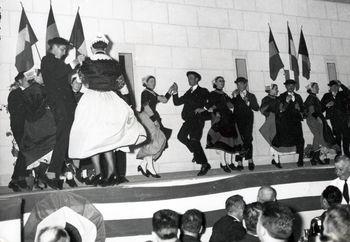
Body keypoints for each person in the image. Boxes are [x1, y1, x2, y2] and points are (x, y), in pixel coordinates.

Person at [69, 34, 146, 186]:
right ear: (105, 47)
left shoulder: (87, 63)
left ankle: (99, 174)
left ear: (92, 48)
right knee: (107, 139)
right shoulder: (115, 64)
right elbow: (123, 87)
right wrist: (129, 105)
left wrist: (77, 73)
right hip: (111, 101)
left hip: (91, 101)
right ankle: (112, 174)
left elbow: (77, 84)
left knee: (93, 138)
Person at [41, 37, 85, 189]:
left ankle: (53, 173)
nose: (64, 52)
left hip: (66, 105)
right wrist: (75, 61)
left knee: (64, 139)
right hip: (60, 106)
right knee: (63, 138)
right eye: (62, 49)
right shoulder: (47, 60)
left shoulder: (57, 62)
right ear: (53, 47)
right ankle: (51, 174)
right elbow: (61, 72)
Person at [20, 70, 59, 188]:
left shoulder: (32, 90)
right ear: (36, 76)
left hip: (33, 126)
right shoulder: (38, 90)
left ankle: (40, 176)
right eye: (43, 75)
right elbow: (37, 109)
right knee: (53, 145)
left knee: (38, 152)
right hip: (41, 126)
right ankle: (41, 176)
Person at [172, 71, 211, 176]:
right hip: (188, 120)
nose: (189, 80)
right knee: (181, 136)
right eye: (188, 78)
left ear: (197, 79)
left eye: (191, 78)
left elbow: (211, 101)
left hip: (197, 120)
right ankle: (196, 152)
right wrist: (175, 92)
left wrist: (203, 108)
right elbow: (177, 102)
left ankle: (204, 164)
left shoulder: (203, 91)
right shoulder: (188, 92)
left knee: (194, 140)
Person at [137, 75, 173, 178]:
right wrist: (154, 120)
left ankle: (144, 164)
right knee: (154, 140)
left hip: (151, 117)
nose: (153, 83)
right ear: (146, 83)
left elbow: (164, 99)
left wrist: (170, 90)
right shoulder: (145, 92)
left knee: (159, 139)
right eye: (151, 81)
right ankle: (150, 167)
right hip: (146, 117)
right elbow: (146, 107)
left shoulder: (152, 93)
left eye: (154, 81)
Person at [206, 76, 243, 172]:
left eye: (223, 81)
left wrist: (234, 97)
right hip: (221, 120)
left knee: (230, 141)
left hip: (229, 120)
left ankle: (230, 162)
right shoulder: (212, 94)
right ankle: (223, 163)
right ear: (215, 83)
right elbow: (210, 106)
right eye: (220, 81)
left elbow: (231, 105)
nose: (222, 82)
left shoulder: (225, 94)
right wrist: (216, 112)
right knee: (222, 142)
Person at [259, 84, 295, 168]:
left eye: (277, 89)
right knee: (274, 140)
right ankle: (276, 160)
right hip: (271, 122)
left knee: (276, 140)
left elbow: (282, 110)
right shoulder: (265, 99)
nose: (277, 91)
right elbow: (262, 110)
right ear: (270, 90)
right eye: (275, 89)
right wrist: (271, 114)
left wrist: (286, 101)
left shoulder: (278, 99)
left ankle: (275, 159)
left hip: (278, 122)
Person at [272, 79, 305, 167]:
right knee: (282, 141)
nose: (291, 87)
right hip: (286, 123)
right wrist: (286, 102)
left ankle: (300, 159)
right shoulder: (281, 96)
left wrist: (299, 109)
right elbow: (279, 111)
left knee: (300, 140)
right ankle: (275, 159)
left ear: (294, 86)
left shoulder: (298, 97)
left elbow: (303, 110)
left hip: (296, 122)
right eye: (289, 85)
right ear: (286, 86)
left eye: (292, 85)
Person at [304, 82, 338, 165]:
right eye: (316, 87)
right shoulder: (311, 97)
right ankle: (315, 158)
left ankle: (315, 158)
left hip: (315, 119)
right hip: (314, 119)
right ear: (311, 89)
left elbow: (318, 110)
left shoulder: (313, 97)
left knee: (318, 136)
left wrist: (326, 105)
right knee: (318, 136)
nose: (318, 88)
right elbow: (312, 110)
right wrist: (318, 118)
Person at [7, 72, 29, 192]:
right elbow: (14, 111)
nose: (28, 81)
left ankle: (16, 180)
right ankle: (18, 179)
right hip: (19, 127)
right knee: (24, 150)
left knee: (24, 151)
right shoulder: (15, 93)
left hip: (27, 126)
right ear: (20, 81)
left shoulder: (26, 92)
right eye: (26, 79)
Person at [231, 77, 259, 171]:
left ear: (245, 84)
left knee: (248, 139)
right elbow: (231, 106)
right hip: (237, 120)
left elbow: (256, 108)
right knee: (239, 140)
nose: (239, 86)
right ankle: (240, 163)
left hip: (248, 120)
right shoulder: (235, 94)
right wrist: (234, 97)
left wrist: (248, 102)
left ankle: (249, 160)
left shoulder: (251, 95)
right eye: (237, 84)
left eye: (241, 84)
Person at [321, 80, 350, 157]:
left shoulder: (342, 94)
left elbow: (348, 93)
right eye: (332, 86)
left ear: (338, 87)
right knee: (337, 137)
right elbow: (321, 108)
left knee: (346, 136)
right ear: (330, 87)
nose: (334, 87)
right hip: (334, 119)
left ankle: (347, 153)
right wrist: (327, 105)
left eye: (336, 86)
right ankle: (339, 154)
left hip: (344, 119)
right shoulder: (326, 95)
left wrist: (342, 85)